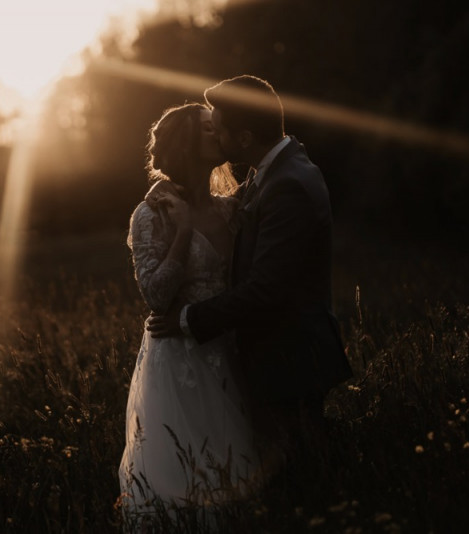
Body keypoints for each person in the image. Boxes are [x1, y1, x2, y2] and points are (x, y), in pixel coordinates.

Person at [146, 75, 353, 482]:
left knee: (304, 474)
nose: (215, 139)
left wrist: (186, 320)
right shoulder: (275, 171)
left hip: (290, 356)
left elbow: (267, 289)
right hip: (273, 355)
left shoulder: (287, 183)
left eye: (219, 130)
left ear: (242, 138)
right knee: (287, 468)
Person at [118, 103, 261, 530]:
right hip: (180, 363)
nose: (219, 132)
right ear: (186, 143)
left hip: (231, 351)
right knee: (188, 479)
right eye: (206, 128)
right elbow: (157, 297)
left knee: (239, 471)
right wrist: (182, 232)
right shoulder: (152, 214)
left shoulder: (231, 209)